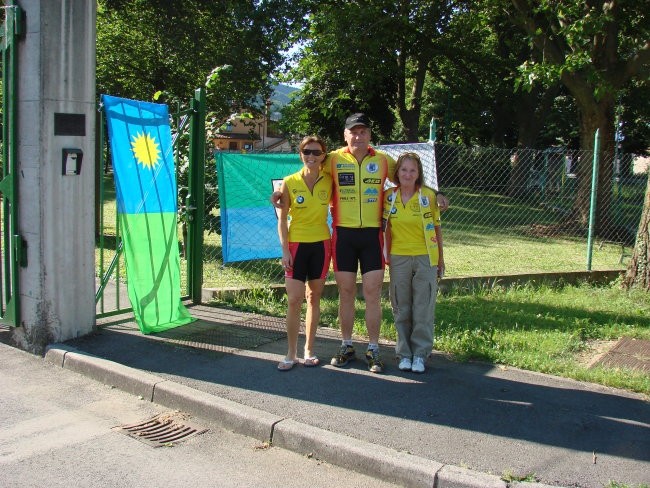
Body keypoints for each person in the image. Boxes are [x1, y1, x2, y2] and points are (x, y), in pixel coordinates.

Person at [272, 113, 449, 373]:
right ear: (345, 135)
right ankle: (346, 344)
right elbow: (305, 171)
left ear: (369, 135)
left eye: (363, 131)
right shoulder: (332, 159)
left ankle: (374, 348)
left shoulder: (382, 160)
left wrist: (438, 194)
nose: (358, 136)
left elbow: (410, 176)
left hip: (371, 237)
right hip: (343, 236)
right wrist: (279, 191)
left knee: (372, 294)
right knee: (346, 293)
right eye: (353, 132)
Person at [382, 152, 444, 374]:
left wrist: (440, 260)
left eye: (412, 170)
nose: (408, 174)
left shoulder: (428, 196)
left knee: (423, 307)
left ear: (419, 174)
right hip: (398, 258)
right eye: (404, 170)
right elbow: (384, 228)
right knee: (401, 306)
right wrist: (386, 255)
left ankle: (420, 354)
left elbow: (437, 229)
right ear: (397, 172)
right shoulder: (389, 197)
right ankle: (404, 354)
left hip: (426, 258)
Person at [276, 135, 332, 371]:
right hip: (297, 247)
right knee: (293, 300)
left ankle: (309, 350)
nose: (311, 156)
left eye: (316, 153)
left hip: (321, 245)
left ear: (323, 157)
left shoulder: (330, 180)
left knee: (314, 299)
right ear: (300, 154)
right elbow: (282, 219)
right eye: (307, 152)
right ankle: (291, 354)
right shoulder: (289, 181)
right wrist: (285, 250)